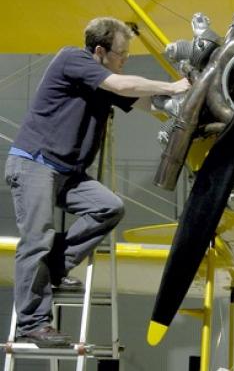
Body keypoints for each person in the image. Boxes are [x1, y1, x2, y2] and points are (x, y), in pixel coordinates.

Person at [4, 17, 190, 347]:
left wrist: (192, 102)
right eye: (122, 54)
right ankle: (32, 323)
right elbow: (125, 87)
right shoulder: (72, 59)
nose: (125, 59)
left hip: (66, 173)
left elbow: (146, 102)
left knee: (108, 207)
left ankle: (54, 265)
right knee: (36, 238)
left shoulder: (104, 82)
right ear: (100, 51)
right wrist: (172, 85)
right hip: (34, 163)